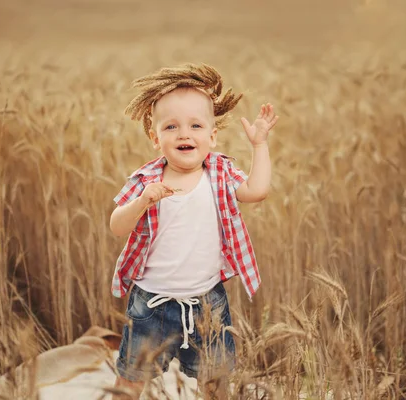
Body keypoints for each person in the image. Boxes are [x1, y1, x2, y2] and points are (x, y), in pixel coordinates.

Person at [108, 63, 279, 399]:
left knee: (215, 382)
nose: (184, 134)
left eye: (195, 125)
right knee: (130, 380)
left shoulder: (220, 172)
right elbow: (117, 226)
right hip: (150, 304)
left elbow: (256, 191)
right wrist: (141, 202)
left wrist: (260, 145)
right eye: (171, 127)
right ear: (156, 139)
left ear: (212, 137)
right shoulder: (146, 181)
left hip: (207, 304)